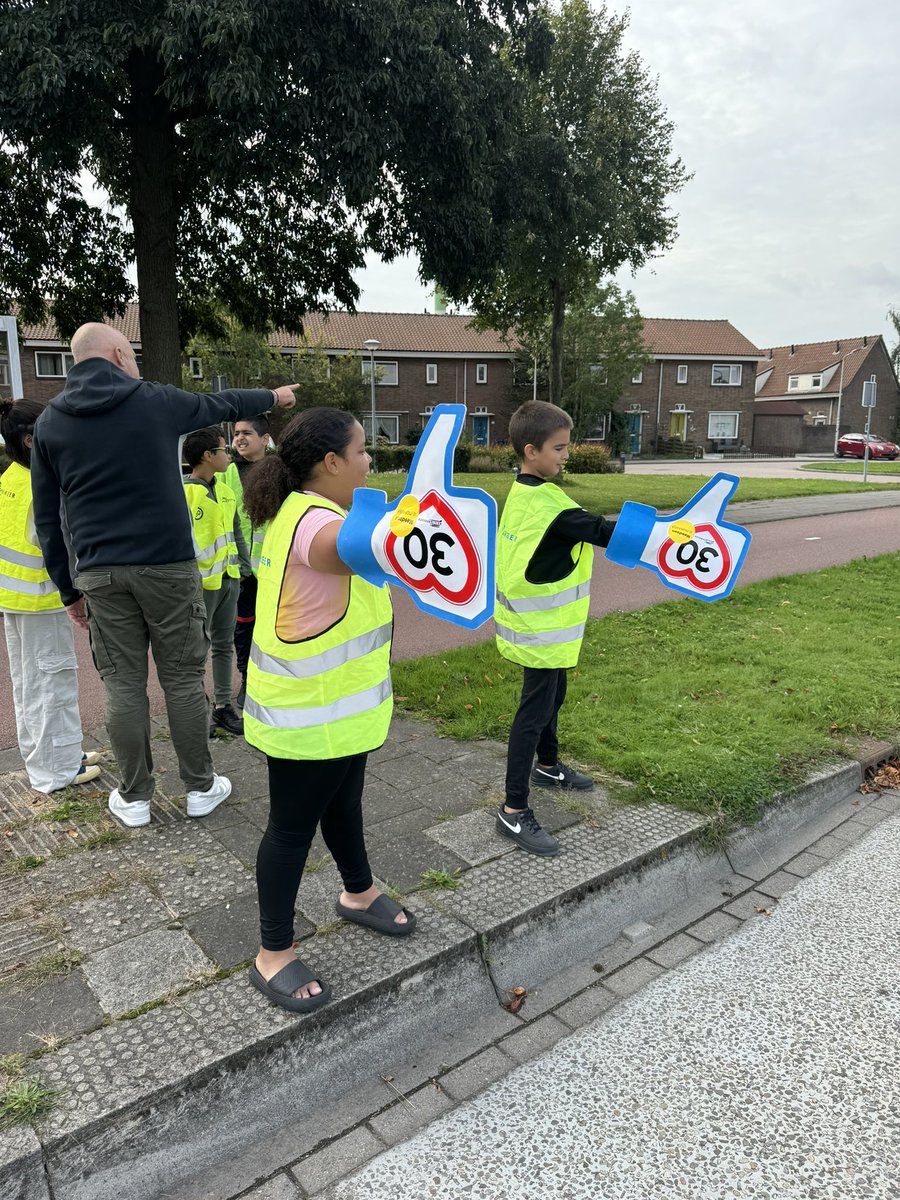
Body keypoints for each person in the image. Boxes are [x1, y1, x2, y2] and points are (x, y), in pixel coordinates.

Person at [29, 322, 296, 829]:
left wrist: (69, 590)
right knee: (180, 677)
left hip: (100, 572)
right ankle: (199, 787)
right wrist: (273, 395)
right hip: (168, 566)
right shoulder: (151, 400)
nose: (134, 363)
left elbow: (48, 519)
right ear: (115, 354)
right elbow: (218, 403)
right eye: (130, 354)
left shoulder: (50, 423)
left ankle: (133, 798)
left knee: (123, 685)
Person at [242, 407, 415, 1013]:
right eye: (364, 451)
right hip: (306, 718)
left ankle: (358, 893)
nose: (371, 461)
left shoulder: (316, 509)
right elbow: (349, 549)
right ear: (331, 463)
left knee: (345, 804)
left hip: (341, 713)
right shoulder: (316, 524)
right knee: (290, 831)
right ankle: (273, 954)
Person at [494, 400, 617, 856]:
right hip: (541, 633)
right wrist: (673, 534)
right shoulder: (549, 506)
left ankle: (547, 766)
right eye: (560, 448)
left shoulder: (526, 492)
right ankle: (512, 810)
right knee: (533, 713)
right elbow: (604, 532)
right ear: (532, 451)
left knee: (553, 698)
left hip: (538, 628)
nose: (567, 455)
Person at [0, 398, 101, 792]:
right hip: (41, 600)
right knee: (52, 682)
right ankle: (56, 771)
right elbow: (54, 544)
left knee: (29, 684)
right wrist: (73, 591)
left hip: (14, 600)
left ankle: (52, 757)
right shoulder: (39, 487)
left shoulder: (8, 479)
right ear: (30, 440)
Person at [183, 426, 246, 737]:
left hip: (228, 580)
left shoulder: (225, 490)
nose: (228, 455)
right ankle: (197, 711)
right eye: (224, 450)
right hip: (198, 587)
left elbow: (235, 532)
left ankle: (223, 708)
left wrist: (243, 567)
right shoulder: (182, 492)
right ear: (208, 456)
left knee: (223, 646)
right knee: (195, 650)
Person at [222, 415, 271, 708]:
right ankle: (247, 678)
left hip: (271, 565)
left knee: (275, 623)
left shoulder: (278, 471)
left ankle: (273, 677)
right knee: (243, 625)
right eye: (237, 433)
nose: (239, 438)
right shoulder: (225, 472)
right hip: (240, 569)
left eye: (247, 433)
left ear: (264, 439)